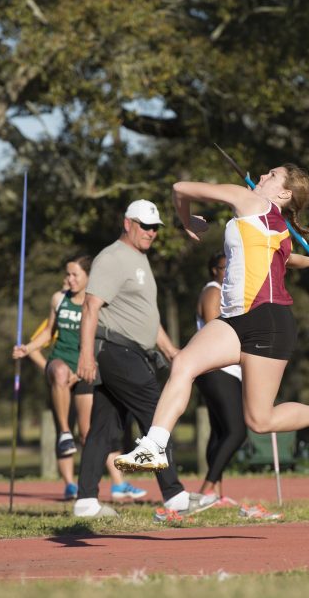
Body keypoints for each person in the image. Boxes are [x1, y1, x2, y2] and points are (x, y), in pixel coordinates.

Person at [114, 164, 309, 491]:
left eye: (271, 176)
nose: (261, 176)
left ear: (283, 193)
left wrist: (187, 220)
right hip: (235, 320)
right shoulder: (273, 224)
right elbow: (285, 257)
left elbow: (181, 187)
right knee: (183, 363)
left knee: (259, 420)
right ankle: (154, 445)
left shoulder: (250, 202)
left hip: (269, 321)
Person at [74, 199, 214, 519]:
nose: (151, 233)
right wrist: (85, 355)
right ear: (128, 224)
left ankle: (85, 500)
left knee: (103, 426)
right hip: (116, 351)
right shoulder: (112, 258)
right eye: (145, 226)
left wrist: (170, 350)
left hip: (130, 351)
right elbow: (90, 307)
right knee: (157, 415)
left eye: (155, 228)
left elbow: (145, 316)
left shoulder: (138, 258)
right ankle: (174, 495)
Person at [13, 256, 146, 501]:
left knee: (88, 433)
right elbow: (48, 333)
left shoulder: (96, 303)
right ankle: (68, 472)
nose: (69, 279)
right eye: (68, 274)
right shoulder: (58, 299)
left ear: (87, 277)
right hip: (60, 363)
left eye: (75, 275)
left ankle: (114, 484)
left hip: (85, 370)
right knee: (60, 380)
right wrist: (28, 348)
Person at [195, 252, 246, 505]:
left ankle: (215, 493)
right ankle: (207, 488)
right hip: (217, 370)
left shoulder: (227, 294)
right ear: (214, 270)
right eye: (225, 268)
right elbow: (216, 327)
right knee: (237, 431)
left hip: (224, 370)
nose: (229, 272)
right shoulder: (213, 291)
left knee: (221, 432)